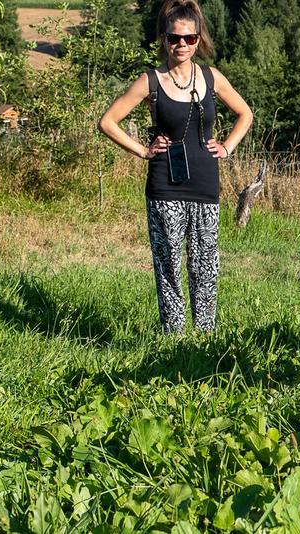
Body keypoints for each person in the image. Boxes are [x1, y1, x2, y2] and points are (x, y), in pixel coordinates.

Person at [98, 0, 252, 334]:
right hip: (164, 185)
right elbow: (107, 122)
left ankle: (206, 334)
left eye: (189, 38)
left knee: (205, 262)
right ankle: (175, 335)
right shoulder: (150, 81)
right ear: (164, 39)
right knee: (168, 261)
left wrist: (227, 146)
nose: (181, 44)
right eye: (174, 38)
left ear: (198, 40)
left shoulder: (211, 77)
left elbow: (245, 113)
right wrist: (142, 150)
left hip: (205, 184)